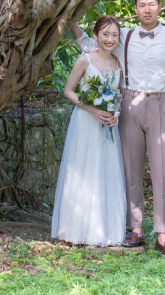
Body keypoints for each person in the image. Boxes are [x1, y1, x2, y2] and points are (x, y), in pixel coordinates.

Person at [71, 0, 165, 256]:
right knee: (130, 170)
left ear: (159, 7)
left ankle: (163, 235)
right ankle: (135, 230)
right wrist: (69, 20)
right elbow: (91, 47)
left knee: (163, 171)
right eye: (142, 5)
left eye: (152, 4)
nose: (147, 9)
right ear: (136, 9)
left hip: (162, 105)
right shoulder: (124, 36)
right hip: (128, 104)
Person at [51, 15, 126, 247]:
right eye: (105, 34)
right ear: (95, 35)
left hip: (107, 127)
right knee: (84, 170)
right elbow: (68, 91)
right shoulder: (85, 59)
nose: (110, 39)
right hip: (85, 121)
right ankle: (77, 229)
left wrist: (116, 115)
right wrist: (91, 108)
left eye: (114, 35)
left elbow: (120, 95)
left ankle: (105, 230)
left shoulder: (119, 64)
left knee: (105, 172)